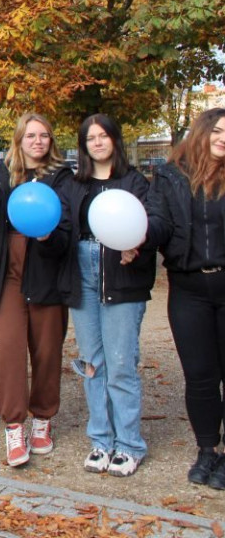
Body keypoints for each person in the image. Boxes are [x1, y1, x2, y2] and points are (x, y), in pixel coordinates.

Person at [0, 112, 73, 467]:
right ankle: (14, 426)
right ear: (19, 140)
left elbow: (67, 229)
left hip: (47, 277)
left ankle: (42, 421)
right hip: (8, 277)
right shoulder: (2, 172)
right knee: (9, 353)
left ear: (50, 141)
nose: (38, 141)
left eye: (44, 135)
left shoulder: (62, 177)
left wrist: (47, 233)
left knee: (46, 353)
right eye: (31, 136)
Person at [59, 114, 155, 477]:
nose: (97, 142)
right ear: (84, 145)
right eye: (90, 138)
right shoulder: (74, 183)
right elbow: (65, 227)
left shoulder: (134, 183)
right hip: (82, 272)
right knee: (91, 362)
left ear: (115, 139)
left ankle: (129, 444)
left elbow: (151, 223)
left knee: (120, 363)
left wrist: (138, 246)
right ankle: (101, 440)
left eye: (103, 136)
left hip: (122, 274)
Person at [147, 107, 225, 488]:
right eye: (219, 131)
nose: (223, 138)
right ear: (203, 132)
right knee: (199, 376)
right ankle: (207, 449)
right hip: (189, 288)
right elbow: (159, 222)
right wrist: (140, 236)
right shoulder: (172, 177)